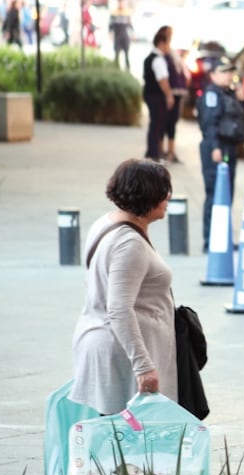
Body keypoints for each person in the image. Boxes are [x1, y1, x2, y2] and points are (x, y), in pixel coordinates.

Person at [71, 158, 176, 415]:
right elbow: (118, 309)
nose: (168, 198)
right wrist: (143, 366)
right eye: (163, 192)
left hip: (105, 341)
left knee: (117, 431)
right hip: (120, 354)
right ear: (147, 196)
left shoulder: (106, 223)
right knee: (126, 434)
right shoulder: (129, 243)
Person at [198, 56, 244, 253]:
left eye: (230, 71)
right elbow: (209, 124)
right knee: (214, 194)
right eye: (224, 71)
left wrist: (242, 100)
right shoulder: (212, 95)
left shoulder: (229, 93)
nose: (228, 75)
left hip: (229, 147)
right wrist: (215, 147)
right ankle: (210, 240)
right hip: (217, 148)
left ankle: (223, 239)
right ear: (213, 75)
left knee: (226, 195)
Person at [142, 26, 174, 163]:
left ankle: (152, 153)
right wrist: (169, 95)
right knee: (157, 125)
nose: (169, 47)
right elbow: (163, 81)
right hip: (156, 96)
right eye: (168, 43)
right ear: (161, 43)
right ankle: (153, 154)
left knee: (155, 124)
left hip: (150, 95)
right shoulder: (158, 59)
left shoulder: (150, 58)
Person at [163, 28, 189, 164]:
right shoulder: (165, 53)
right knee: (166, 122)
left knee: (173, 122)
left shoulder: (174, 53)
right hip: (171, 93)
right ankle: (164, 151)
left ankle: (171, 151)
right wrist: (168, 94)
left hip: (179, 92)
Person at [108, 0, 133, 70]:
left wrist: (132, 34)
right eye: (120, 2)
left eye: (122, 2)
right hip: (117, 35)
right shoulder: (114, 12)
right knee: (117, 53)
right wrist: (110, 33)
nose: (121, 4)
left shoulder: (127, 12)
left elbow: (130, 25)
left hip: (125, 35)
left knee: (126, 53)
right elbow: (110, 24)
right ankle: (116, 68)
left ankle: (127, 68)